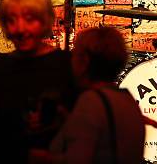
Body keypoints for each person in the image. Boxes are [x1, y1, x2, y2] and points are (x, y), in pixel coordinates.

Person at [0, 0, 77, 163]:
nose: (20, 29)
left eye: (29, 19)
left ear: (45, 21)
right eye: (11, 20)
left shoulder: (68, 65)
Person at [45, 27, 145, 164]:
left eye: (75, 53)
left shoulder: (91, 101)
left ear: (84, 61)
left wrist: (37, 157)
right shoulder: (128, 101)